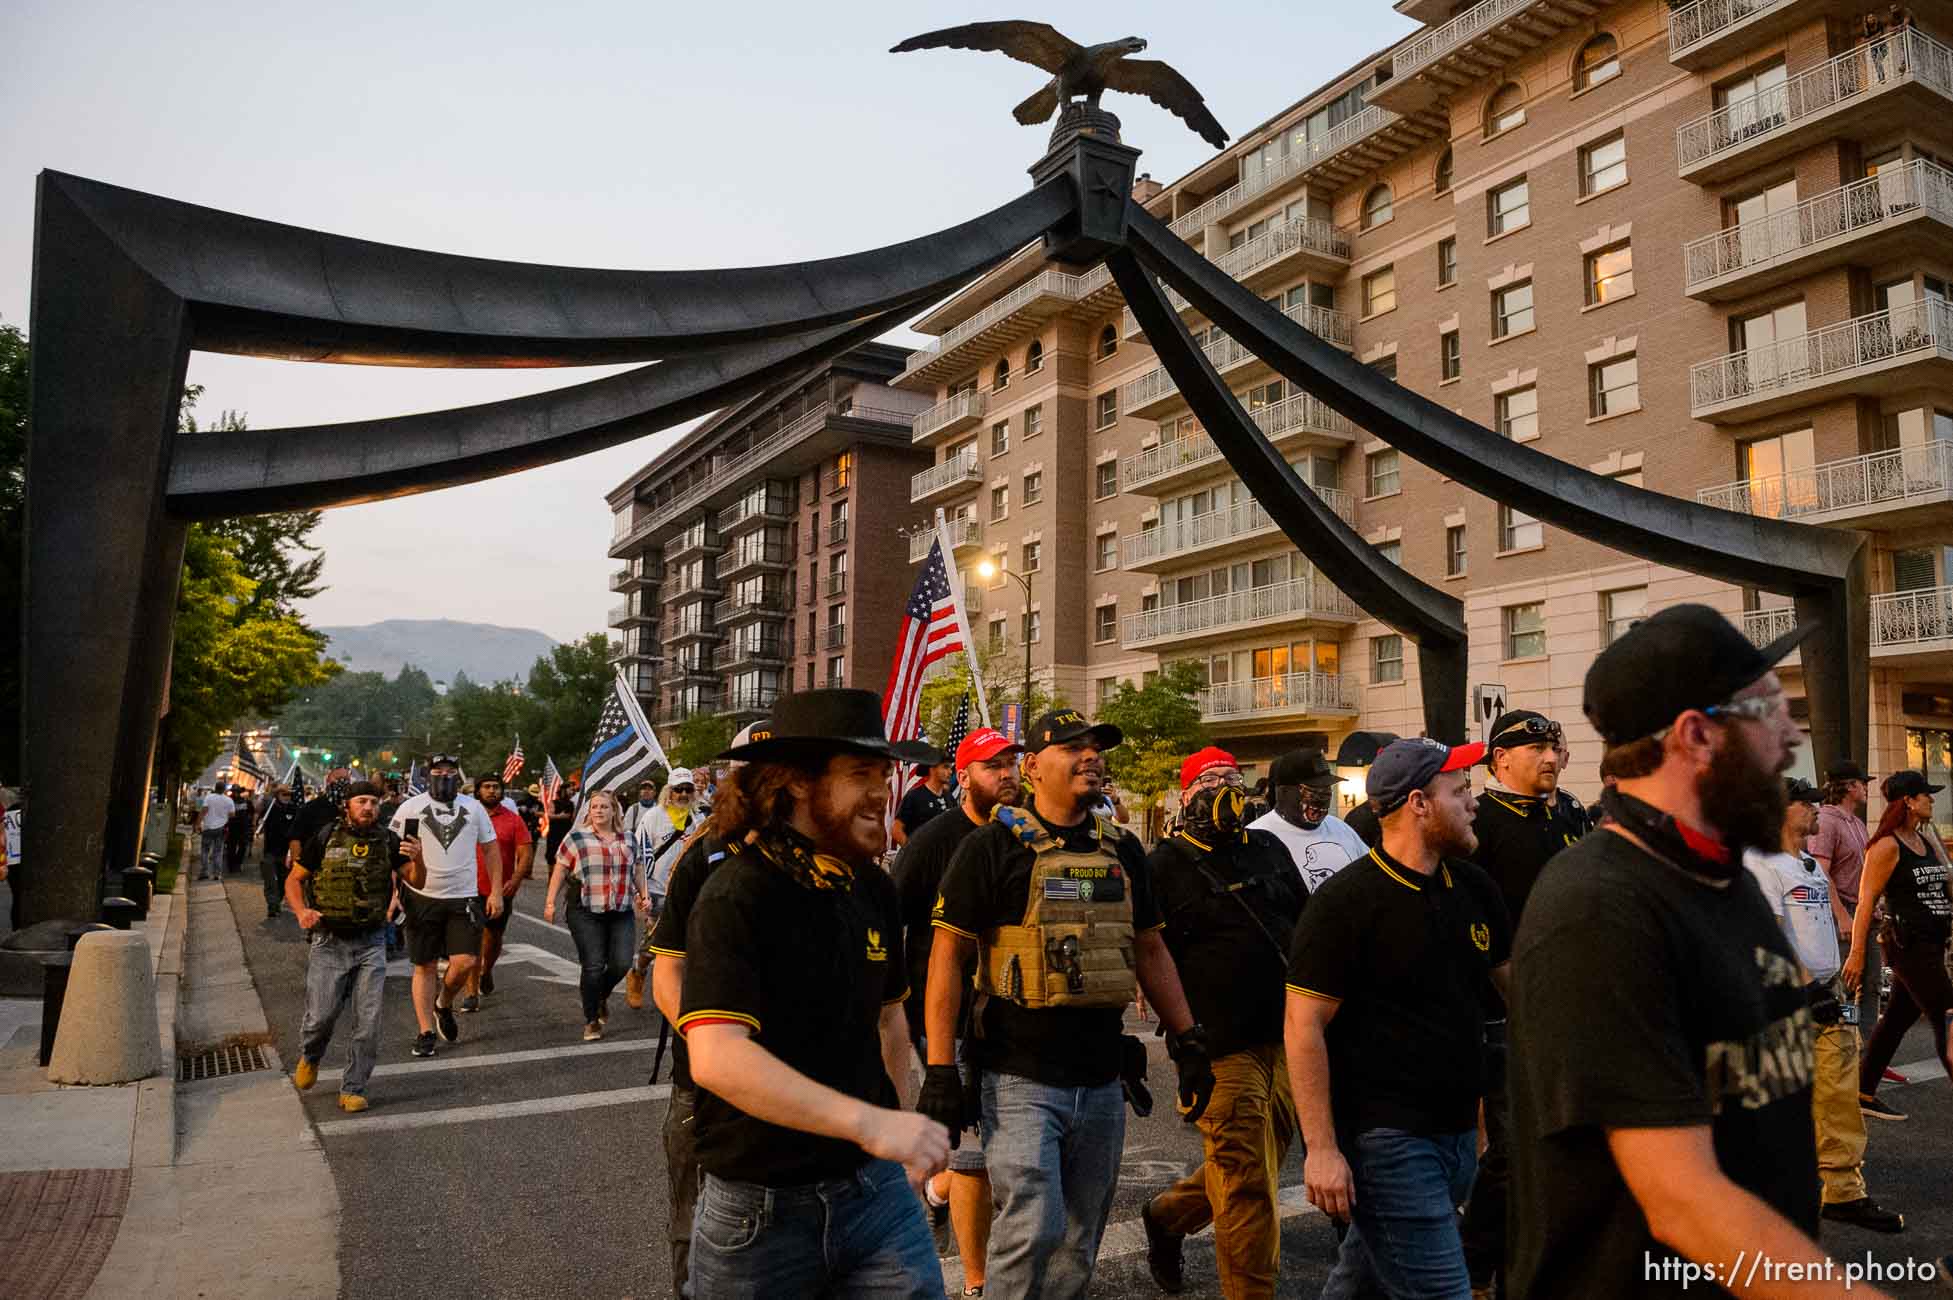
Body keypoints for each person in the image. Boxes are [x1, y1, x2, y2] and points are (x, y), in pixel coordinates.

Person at [1506, 603, 1878, 1299]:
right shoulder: (1598, 907)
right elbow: (1681, 1200)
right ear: (1696, 733)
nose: (1790, 736)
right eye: (1767, 710)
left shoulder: (1721, 879)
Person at [925, 708, 1214, 1298]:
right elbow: (946, 959)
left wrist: (1188, 1040)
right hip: (1017, 1077)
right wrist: (937, 1068)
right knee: (1033, 1227)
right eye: (1072, 747)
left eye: (1096, 747)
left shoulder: (1123, 850)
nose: (1091, 757)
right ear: (1031, 767)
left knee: (1080, 1241)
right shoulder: (990, 848)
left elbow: (1150, 947)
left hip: (1102, 1077)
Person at [678, 690, 948, 1296]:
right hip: (760, 1211)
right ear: (797, 784)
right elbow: (717, 1056)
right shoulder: (738, 893)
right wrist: (870, 1124)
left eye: (884, 774)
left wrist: (896, 1128)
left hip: (875, 1194)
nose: (882, 792)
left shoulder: (873, 888)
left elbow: (891, 1023)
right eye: (860, 775)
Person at [1286, 736, 1508, 1300]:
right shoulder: (1346, 902)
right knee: (1441, 1290)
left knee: (1362, 1283)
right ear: (1418, 803)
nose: (1473, 802)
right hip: (1387, 1141)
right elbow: (1303, 1025)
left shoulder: (1475, 889)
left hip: (1458, 1134)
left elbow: (1523, 994)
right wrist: (1323, 1150)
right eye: (1460, 792)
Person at [1141, 746, 1308, 1298]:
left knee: (1261, 1162)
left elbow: (1304, 924)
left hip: (1286, 1034)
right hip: (1218, 1042)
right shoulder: (1161, 865)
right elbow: (1147, 948)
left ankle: (1169, 1215)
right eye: (1211, 780)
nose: (1225, 790)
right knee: (1246, 1185)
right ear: (1185, 795)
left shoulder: (1267, 846)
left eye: (1233, 779)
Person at [892, 725, 1024, 1299]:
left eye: (1013, 766)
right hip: (946, 1013)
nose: (1008, 776)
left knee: (997, 1144)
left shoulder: (1028, 837)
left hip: (1014, 1012)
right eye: (993, 767)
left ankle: (937, 1189)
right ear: (964, 775)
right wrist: (892, 1004)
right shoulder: (934, 839)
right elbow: (892, 916)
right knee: (976, 1150)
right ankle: (975, 1283)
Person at [1459, 709, 1584, 1295]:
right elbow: (1466, 917)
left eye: (1553, 749)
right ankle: (1470, 1265)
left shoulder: (1569, 811)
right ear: (1500, 759)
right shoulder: (1479, 818)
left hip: (1568, 997)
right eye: (1537, 750)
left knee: (1554, 1143)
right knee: (1512, 1148)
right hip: (1500, 1006)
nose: (1551, 759)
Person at [1746, 778, 1904, 1233]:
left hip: (1826, 993)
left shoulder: (1808, 865)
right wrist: (1807, 990)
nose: (1817, 810)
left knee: (1833, 1093)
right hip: (1791, 999)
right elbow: (1768, 935)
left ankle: (1835, 1190)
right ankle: (1827, 1192)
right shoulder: (1762, 864)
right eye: (1807, 804)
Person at [647, 719, 766, 1298]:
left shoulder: (825, 860)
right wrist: (700, 1040)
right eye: (749, 771)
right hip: (704, 1080)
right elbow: (666, 965)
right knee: (691, 1209)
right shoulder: (705, 855)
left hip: (794, 1074)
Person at [287, 780, 406, 1113]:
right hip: (329, 941)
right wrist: (301, 911)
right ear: (348, 806)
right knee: (320, 1018)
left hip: (372, 941)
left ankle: (354, 1087)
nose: (369, 807)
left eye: (374, 802)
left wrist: (419, 859)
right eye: (362, 801)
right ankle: (311, 1055)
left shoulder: (389, 840)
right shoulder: (325, 837)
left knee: (368, 1022)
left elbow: (417, 879)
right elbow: (294, 880)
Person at [1846, 769, 1953, 1113]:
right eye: (1926, 795)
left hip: (1933, 943)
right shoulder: (1886, 846)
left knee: (1896, 1019)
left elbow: (1944, 888)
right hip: (1908, 945)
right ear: (1908, 801)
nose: (1932, 799)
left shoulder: (1926, 840)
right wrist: (1857, 954)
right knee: (1947, 1016)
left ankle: (1863, 1091)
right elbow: (1865, 901)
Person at [389, 755, 502, 1057]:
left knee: (465, 962)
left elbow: (491, 849)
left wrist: (496, 892)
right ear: (428, 774)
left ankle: (443, 1002)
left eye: (451, 771)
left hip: (464, 897)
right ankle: (425, 1031)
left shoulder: (473, 808)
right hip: (420, 896)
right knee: (424, 965)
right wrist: (393, 893)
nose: (445, 775)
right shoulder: (409, 808)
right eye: (438, 771)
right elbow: (393, 854)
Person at [542, 788, 642, 1040]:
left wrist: (644, 894)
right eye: (595, 807)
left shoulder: (629, 838)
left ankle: (599, 995)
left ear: (614, 811)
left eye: (604, 807)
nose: (599, 811)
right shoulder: (576, 838)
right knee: (594, 965)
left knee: (621, 962)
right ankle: (591, 1019)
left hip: (621, 908)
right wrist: (550, 902)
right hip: (585, 909)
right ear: (589, 811)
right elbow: (560, 870)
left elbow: (638, 867)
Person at [1812, 761, 1880, 1045]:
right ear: (1850, 786)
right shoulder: (1826, 821)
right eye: (1862, 783)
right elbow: (1820, 872)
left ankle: (1866, 1051)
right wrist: (1842, 915)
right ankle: (1846, 1048)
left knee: (1873, 984)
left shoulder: (1857, 822)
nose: (1866, 788)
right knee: (1847, 986)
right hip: (1844, 912)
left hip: (1866, 912)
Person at [623, 768, 697, 1009]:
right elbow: (640, 856)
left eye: (688, 789)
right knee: (657, 942)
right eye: (679, 789)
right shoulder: (653, 817)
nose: (683, 794)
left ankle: (681, 994)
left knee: (689, 944)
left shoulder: (699, 820)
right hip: (657, 891)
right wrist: (641, 893)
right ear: (669, 791)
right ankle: (638, 971)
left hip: (688, 892)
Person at [1250, 748, 1368, 890]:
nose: (1322, 798)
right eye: (1313, 791)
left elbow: (1370, 873)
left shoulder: (1340, 827)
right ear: (1284, 792)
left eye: (1327, 788)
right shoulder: (1256, 837)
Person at [464, 775, 533, 1011]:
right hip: (468, 888)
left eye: (496, 787)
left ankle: (487, 970)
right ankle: (471, 992)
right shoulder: (467, 816)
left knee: (493, 938)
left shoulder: (513, 820)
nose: (492, 791)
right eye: (487, 787)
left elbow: (525, 853)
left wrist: (515, 879)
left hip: (500, 889)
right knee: (472, 940)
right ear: (477, 791)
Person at [259, 785, 301, 920]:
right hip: (270, 850)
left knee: (284, 880)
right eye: (284, 794)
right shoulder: (270, 808)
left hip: (286, 852)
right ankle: (272, 905)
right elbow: (258, 810)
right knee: (270, 879)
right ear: (277, 795)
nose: (287, 797)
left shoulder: (294, 809)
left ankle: (278, 899)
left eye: (289, 794)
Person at [894, 757, 953, 848]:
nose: (950, 772)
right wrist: (911, 852)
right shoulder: (914, 796)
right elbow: (896, 830)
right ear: (932, 769)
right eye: (945, 767)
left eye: (950, 768)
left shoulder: (949, 797)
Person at [197, 784, 235, 881]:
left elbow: (204, 811)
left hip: (208, 827)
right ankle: (217, 874)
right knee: (218, 851)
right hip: (221, 828)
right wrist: (223, 816)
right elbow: (232, 815)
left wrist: (197, 823)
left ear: (215, 789)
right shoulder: (229, 800)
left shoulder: (209, 797)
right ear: (224, 790)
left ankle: (204, 872)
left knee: (205, 850)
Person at [225, 786, 255, 874]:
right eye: (234, 791)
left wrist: (252, 824)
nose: (235, 793)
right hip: (232, 827)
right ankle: (231, 866)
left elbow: (252, 813)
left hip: (243, 827)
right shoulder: (228, 801)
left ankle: (237, 863)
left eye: (237, 791)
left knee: (242, 846)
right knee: (231, 846)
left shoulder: (246, 802)